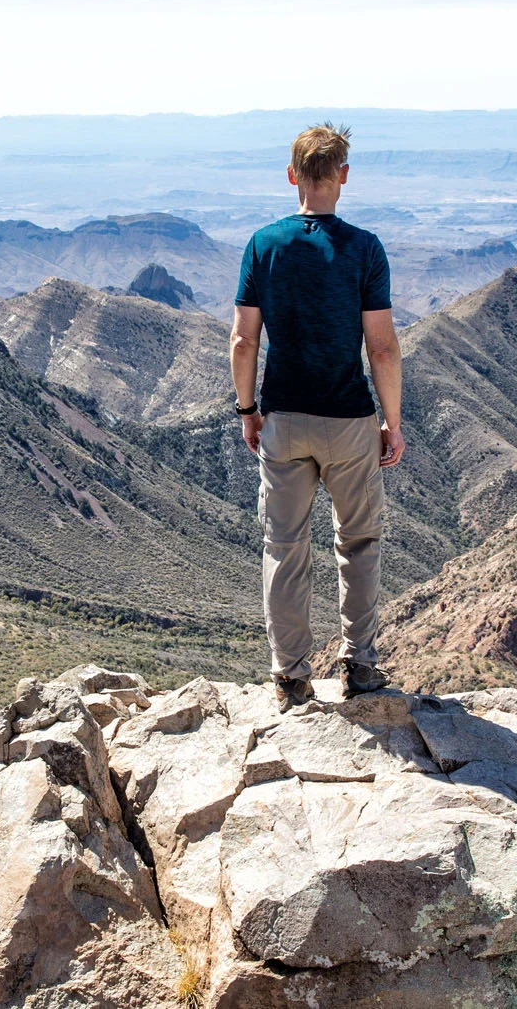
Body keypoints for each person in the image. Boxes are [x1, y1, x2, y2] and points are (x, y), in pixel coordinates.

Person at [229, 122, 404, 713]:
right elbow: (381, 347)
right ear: (343, 177)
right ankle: (362, 667)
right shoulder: (364, 248)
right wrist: (392, 421)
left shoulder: (264, 245)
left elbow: (243, 341)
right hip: (349, 419)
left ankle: (292, 678)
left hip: (283, 417)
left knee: (284, 547)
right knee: (358, 544)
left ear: (292, 176)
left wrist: (248, 409)